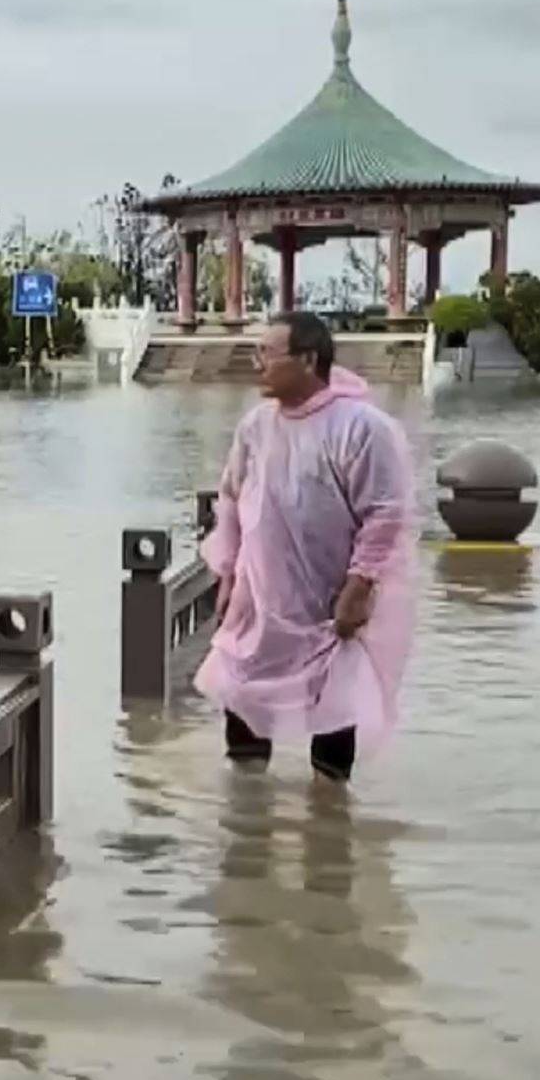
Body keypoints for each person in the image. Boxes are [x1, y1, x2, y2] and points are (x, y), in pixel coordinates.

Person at [196, 312, 417, 783]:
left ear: (308, 360)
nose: (257, 363)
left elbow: (385, 514)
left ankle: (330, 817)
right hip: (260, 594)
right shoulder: (255, 427)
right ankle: (247, 816)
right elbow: (232, 500)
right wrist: (229, 574)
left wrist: (358, 587)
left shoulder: (362, 428)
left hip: (329, 593)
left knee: (335, 700)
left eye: (267, 354)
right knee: (244, 692)